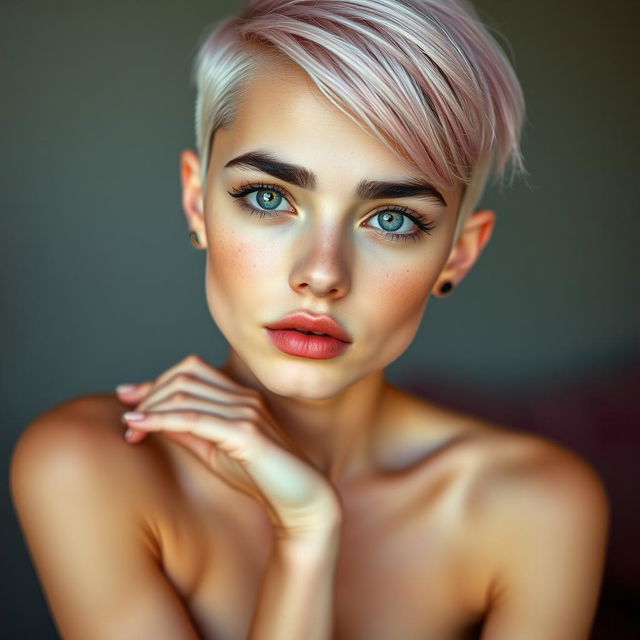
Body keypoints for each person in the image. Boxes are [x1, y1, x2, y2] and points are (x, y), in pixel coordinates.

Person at [10, 1, 610, 638]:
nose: (322, 274)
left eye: (393, 219)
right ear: (196, 202)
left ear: (457, 255)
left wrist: (307, 526)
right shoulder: (87, 465)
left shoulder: (538, 507)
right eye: (268, 197)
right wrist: (304, 537)